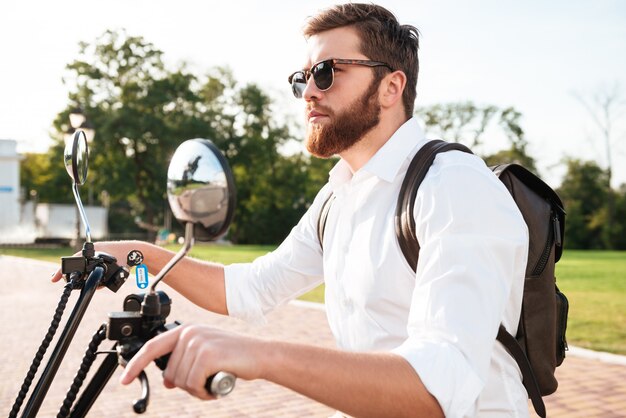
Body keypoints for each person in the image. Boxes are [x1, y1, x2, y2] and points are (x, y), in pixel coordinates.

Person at [53, 3, 530, 417]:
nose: (308, 93)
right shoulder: (340, 195)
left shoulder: (452, 186)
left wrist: (259, 356)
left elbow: (436, 391)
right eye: (303, 78)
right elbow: (251, 289)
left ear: (391, 87)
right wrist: (141, 255)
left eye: (327, 72)